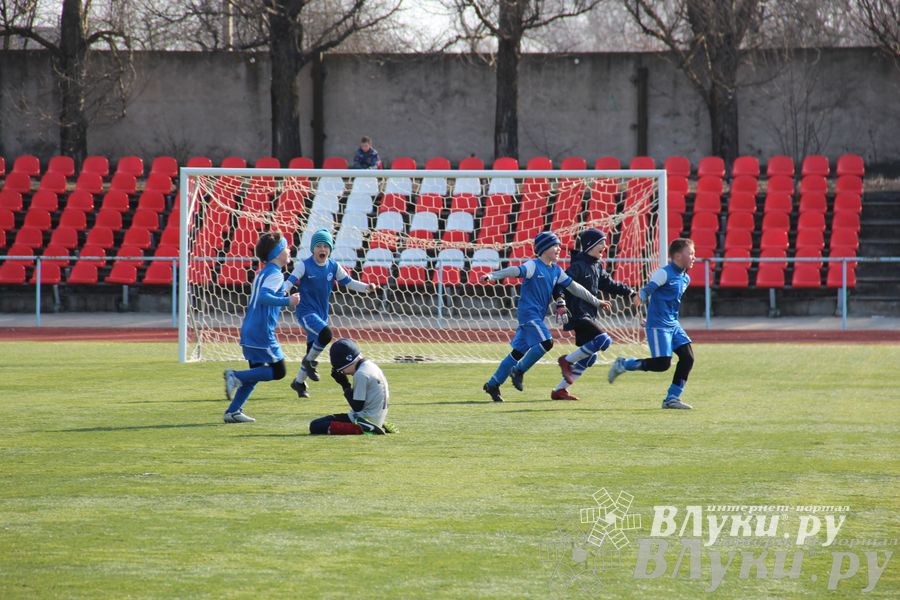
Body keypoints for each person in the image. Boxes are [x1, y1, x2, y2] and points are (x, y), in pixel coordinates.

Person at [481, 231, 610, 402]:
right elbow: (514, 270)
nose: (558, 249)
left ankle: (493, 384)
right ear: (543, 248)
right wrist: (493, 276)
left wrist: (596, 301)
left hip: (536, 317)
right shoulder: (533, 265)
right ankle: (518, 371)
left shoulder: (556, 270)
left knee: (517, 353)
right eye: (555, 245)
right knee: (547, 342)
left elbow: (575, 288)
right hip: (528, 315)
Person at [285, 229, 377, 399]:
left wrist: (366, 288)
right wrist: (284, 291)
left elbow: (348, 282)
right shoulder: (304, 265)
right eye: (319, 245)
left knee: (312, 349)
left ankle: (298, 382)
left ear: (330, 249)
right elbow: (290, 281)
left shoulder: (333, 266)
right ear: (313, 249)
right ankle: (309, 362)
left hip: (321, 314)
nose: (322, 249)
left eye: (326, 246)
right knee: (326, 334)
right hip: (305, 312)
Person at [552, 228, 641, 400]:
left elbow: (610, 284)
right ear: (589, 245)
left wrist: (630, 292)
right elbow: (560, 285)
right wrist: (561, 302)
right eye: (601, 243)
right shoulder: (577, 266)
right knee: (603, 340)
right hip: (577, 315)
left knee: (590, 357)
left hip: (588, 315)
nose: (605, 246)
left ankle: (559, 390)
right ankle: (567, 361)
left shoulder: (597, 267)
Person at [607, 238, 696, 409]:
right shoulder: (664, 273)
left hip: (673, 324)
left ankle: (672, 398)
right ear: (677, 255)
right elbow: (648, 290)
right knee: (662, 364)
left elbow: (667, 301)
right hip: (659, 325)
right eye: (690, 253)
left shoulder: (685, 278)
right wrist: (640, 297)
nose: (693, 257)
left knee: (688, 358)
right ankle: (623, 364)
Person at [223, 232, 300, 423]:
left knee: (255, 374)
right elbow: (265, 297)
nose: (289, 250)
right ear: (276, 254)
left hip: (250, 328)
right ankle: (235, 375)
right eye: (285, 247)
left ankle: (233, 412)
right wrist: (287, 301)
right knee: (279, 371)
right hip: (262, 331)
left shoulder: (264, 273)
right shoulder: (275, 274)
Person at [308, 338, 397, 435]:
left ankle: (366, 428)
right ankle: (377, 424)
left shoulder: (361, 374)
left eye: (342, 370)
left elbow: (357, 407)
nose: (344, 373)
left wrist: (345, 385)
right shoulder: (370, 365)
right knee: (323, 422)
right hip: (376, 415)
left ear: (346, 363)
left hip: (365, 418)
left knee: (315, 426)